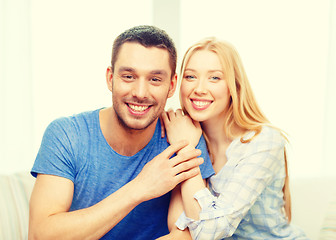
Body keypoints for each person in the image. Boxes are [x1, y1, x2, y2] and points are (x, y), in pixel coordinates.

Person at [29, 25, 214, 240]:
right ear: (110, 78)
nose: (140, 93)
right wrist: (139, 188)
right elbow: (40, 234)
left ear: (172, 85)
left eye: (155, 79)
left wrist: (185, 148)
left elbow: (189, 233)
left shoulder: (184, 137)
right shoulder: (67, 135)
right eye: (128, 76)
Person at [162, 37, 309, 239]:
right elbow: (179, 225)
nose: (199, 89)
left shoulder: (263, 141)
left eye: (214, 78)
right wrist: (186, 143)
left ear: (234, 86)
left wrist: (186, 149)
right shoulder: (185, 133)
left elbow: (207, 232)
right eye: (190, 77)